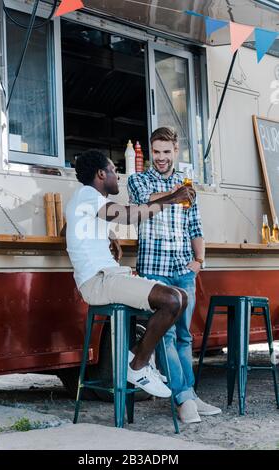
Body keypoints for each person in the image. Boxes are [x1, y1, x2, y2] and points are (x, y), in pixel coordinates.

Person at [66, 149, 196, 399]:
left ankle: (136, 357)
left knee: (182, 296)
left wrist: (107, 234)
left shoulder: (83, 200)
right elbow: (128, 215)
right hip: (100, 280)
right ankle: (137, 365)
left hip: (108, 276)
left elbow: (67, 227)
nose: (118, 176)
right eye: (114, 171)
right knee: (171, 300)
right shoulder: (88, 194)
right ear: (101, 174)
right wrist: (171, 198)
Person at [128, 127, 222, 423]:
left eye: (166, 152)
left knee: (184, 336)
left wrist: (199, 261)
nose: (160, 158)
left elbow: (195, 228)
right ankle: (184, 399)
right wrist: (176, 194)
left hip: (183, 269)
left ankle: (190, 395)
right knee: (166, 336)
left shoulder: (187, 186)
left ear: (175, 152)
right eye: (156, 152)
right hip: (155, 271)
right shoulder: (138, 179)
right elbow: (145, 203)